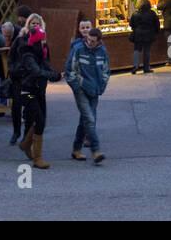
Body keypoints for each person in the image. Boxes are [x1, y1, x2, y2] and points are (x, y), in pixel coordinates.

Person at [13, 22, 61, 168]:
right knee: (39, 120)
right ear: (37, 41)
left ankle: (26, 144)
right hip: (27, 93)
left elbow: (46, 68)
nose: (44, 42)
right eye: (42, 39)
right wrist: (54, 76)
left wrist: (55, 74)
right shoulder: (28, 55)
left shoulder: (41, 53)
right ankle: (37, 158)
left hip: (38, 91)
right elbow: (36, 72)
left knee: (42, 121)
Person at [66, 27, 110, 164]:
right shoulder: (78, 49)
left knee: (85, 120)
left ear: (98, 41)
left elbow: (106, 70)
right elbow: (69, 70)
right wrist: (76, 87)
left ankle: (76, 149)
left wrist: (101, 87)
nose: (89, 43)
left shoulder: (102, 51)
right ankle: (96, 150)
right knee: (90, 119)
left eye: (93, 41)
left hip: (94, 90)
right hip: (81, 89)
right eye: (88, 40)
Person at [128, 0, 160, 73]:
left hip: (138, 34)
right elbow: (157, 24)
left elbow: (131, 24)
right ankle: (146, 68)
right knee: (147, 51)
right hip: (148, 35)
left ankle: (135, 66)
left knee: (137, 50)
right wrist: (156, 32)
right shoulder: (152, 13)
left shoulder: (135, 14)